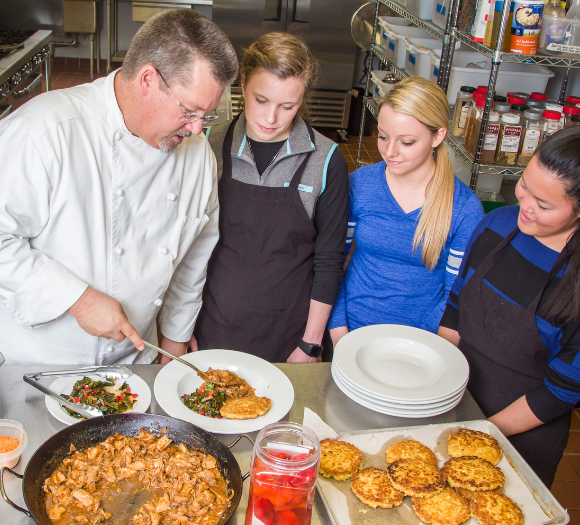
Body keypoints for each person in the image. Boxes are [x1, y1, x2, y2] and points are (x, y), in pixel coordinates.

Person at [0, 9, 237, 365]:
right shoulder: (44, 131)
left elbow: (193, 259)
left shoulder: (196, 155)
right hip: (32, 364)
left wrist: (174, 342)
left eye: (206, 115)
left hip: (130, 365)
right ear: (148, 79)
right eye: (189, 111)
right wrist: (80, 300)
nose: (197, 129)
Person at [192, 32, 349, 363]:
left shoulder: (326, 160)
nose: (270, 118)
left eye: (287, 106)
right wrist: (181, 327)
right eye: (261, 100)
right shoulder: (207, 144)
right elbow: (184, 242)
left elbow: (329, 259)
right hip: (210, 329)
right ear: (244, 83)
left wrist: (310, 344)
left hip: (288, 338)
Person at [438, 127, 580, 487]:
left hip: (523, 434)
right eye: (524, 186)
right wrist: (434, 384)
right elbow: (456, 306)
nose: (524, 206)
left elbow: (561, 391)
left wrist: (480, 434)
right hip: (454, 404)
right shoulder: (497, 225)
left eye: (543, 204)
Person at [328, 77, 484, 342]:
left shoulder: (464, 208)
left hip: (421, 342)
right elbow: (332, 263)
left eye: (407, 142)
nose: (390, 152)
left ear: (438, 136)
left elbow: (456, 293)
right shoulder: (360, 185)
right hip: (352, 333)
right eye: (383, 137)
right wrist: (339, 331)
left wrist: (427, 344)